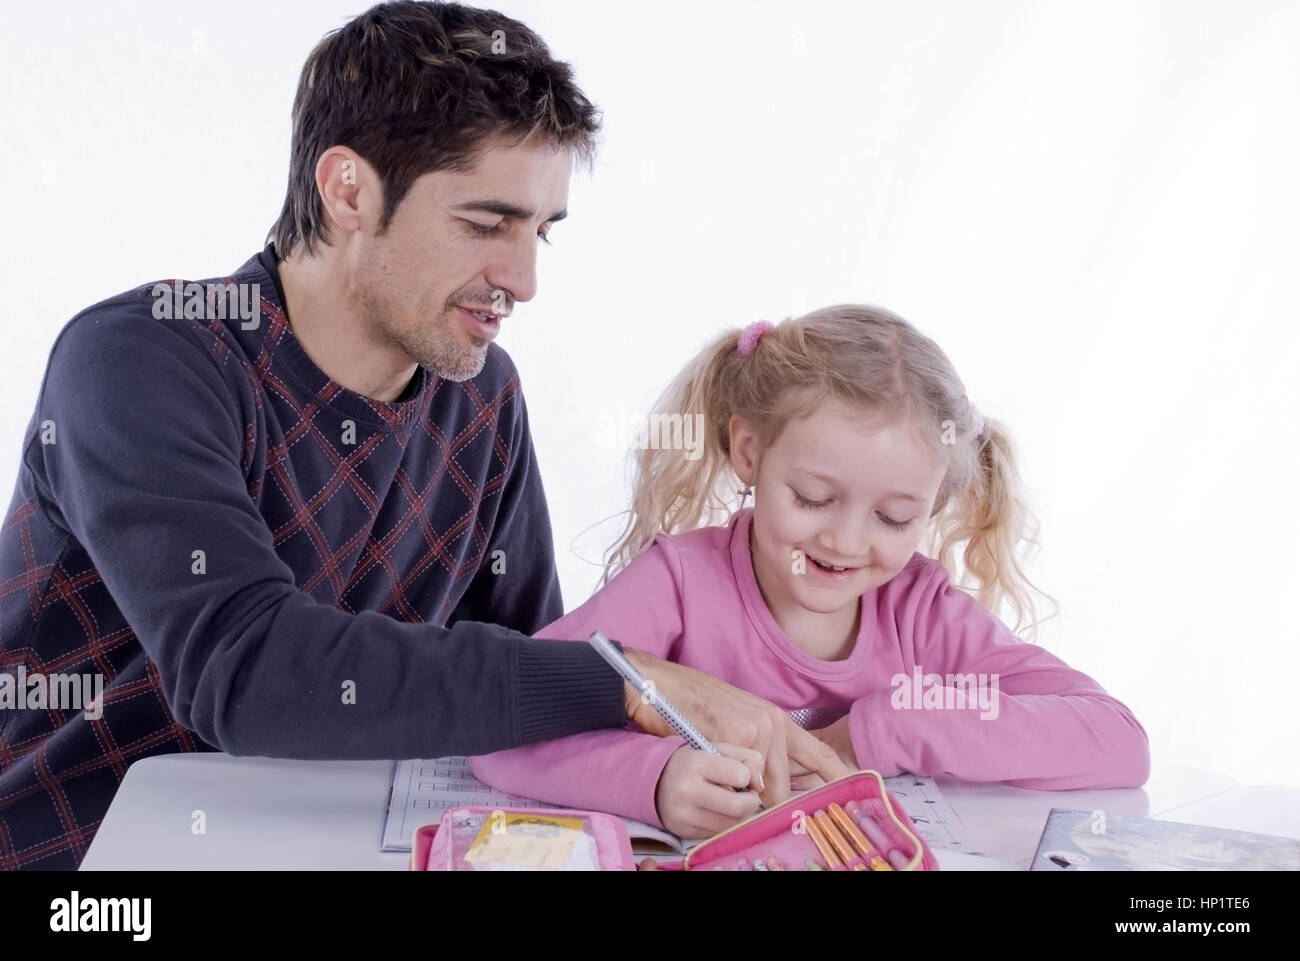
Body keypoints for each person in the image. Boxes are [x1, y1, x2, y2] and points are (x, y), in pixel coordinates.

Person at [0, 1, 843, 870]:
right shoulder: (140, 361)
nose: (523, 279)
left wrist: (664, 766)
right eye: (485, 224)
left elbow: (526, 681)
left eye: (540, 230)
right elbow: (249, 671)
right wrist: (622, 679)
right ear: (348, 190)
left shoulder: (480, 397)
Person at [470, 305, 1151, 840]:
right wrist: (656, 778)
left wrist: (876, 732)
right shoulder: (679, 583)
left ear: (934, 503)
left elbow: (1116, 739)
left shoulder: (920, 611)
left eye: (892, 517)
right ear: (748, 452)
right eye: (814, 498)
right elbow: (495, 721)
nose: (846, 540)